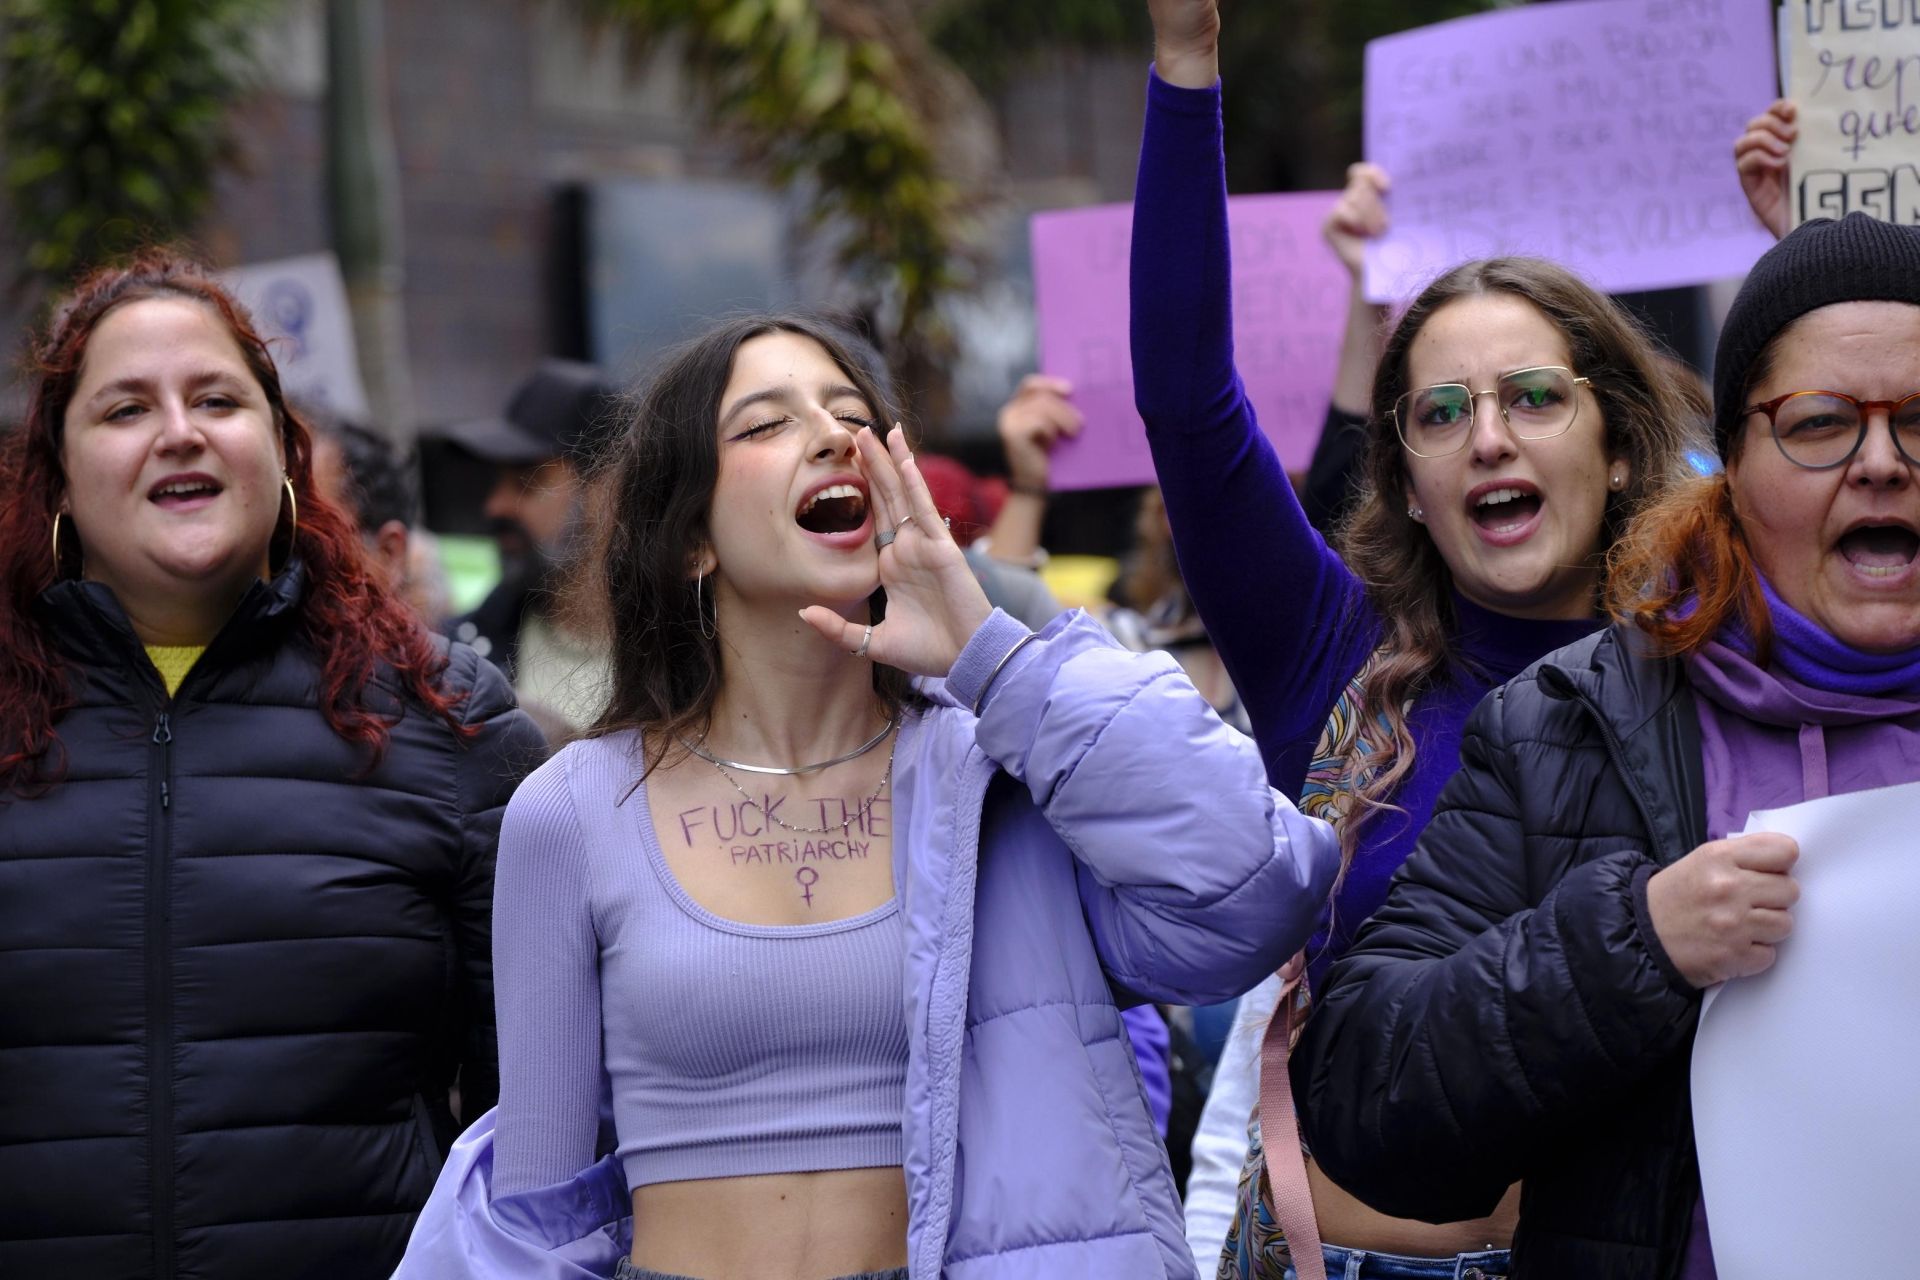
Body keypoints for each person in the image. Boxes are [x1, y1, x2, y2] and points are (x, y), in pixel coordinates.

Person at [395, 312, 1339, 1280]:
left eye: (852, 412)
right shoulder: (568, 813)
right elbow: (534, 1223)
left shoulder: (999, 768)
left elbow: (1260, 894)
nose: (833, 434)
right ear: (689, 541)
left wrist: (997, 660)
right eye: (763, 425)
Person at [1135, 3, 1698, 1276]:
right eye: (1440, 413)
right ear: (1404, 476)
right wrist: (1185, 66)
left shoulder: (1710, 676)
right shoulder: (1334, 659)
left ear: (1613, 446)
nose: (1488, 435)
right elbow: (1183, 400)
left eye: (1533, 397)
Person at [1293, 211, 1920, 1279]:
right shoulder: (1570, 724)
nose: (1880, 462)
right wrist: (1633, 943)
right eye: (1820, 422)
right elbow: (1364, 1095)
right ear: (1732, 459)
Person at [0, 251, 545, 1278]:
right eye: (124, 409)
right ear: (58, 477)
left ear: (282, 449)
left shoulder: (448, 723)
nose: (179, 430)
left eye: (217, 397)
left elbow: (541, 1126)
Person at [434, 360, 618, 734]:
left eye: (526, 480)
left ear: (605, 489)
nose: (496, 505)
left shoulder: (698, 648)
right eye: (497, 481)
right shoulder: (463, 654)